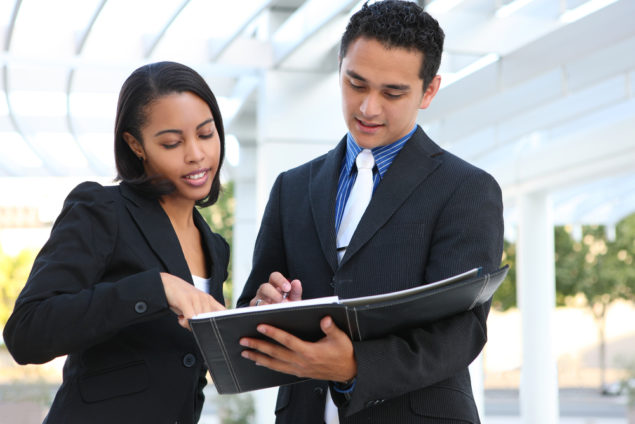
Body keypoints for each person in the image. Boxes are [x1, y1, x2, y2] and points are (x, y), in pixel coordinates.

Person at [236, 1, 504, 423]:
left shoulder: (466, 189)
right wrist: (262, 305)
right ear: (340, 66)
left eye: (392, 92)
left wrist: (354, 366)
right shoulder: (292, 187)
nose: (368, 108)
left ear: (429, 90)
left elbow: (464, 330)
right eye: (355, 83)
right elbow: (251, 308)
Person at [3, 61, 229, 424]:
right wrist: (155, 288)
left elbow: (187, 369)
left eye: (206, 134)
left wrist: (262, 315)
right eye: (172, 142)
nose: (196, 154)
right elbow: (27, 332)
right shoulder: (103, 211)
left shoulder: (214, 246)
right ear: (135, 144)